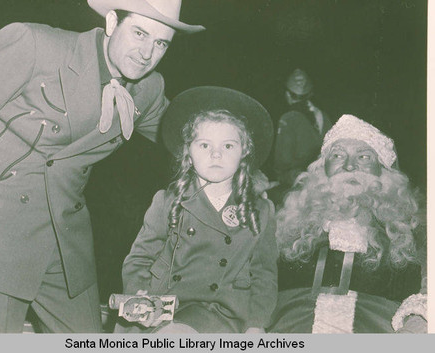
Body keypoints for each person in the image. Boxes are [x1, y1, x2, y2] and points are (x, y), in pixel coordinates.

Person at [0, 0, 204, 333]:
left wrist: (246, 171)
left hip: (62, 240)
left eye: (161, 43)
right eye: (139, 33)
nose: (147, 52)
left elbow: (192, 136)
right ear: (111, 22)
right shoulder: (34, 46)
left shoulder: (148, 89)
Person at [116, 86, 278, 333]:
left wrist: (256, 325)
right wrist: (138, 296)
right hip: (161, 310)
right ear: (188, 153)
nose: (216, 154)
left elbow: (264, 276)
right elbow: (139, 258)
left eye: (228, 146)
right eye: (204, 145)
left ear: (244, 152)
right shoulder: (167, 202)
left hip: (220, 314)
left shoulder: (260, 211)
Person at [268, 114, 426, 333]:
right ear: (322, 167)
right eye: (338, 156)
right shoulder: (283, 222)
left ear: (383, 170)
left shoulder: (413, 231)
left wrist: (416, 324)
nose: (350, 166)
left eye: (364, 157)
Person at [269, 68, 332, 205]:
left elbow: (282, 163)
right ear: (310, 94)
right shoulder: (323, 116)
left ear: (288, 94)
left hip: (299, 184)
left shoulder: (288, 118)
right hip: (326, 179)